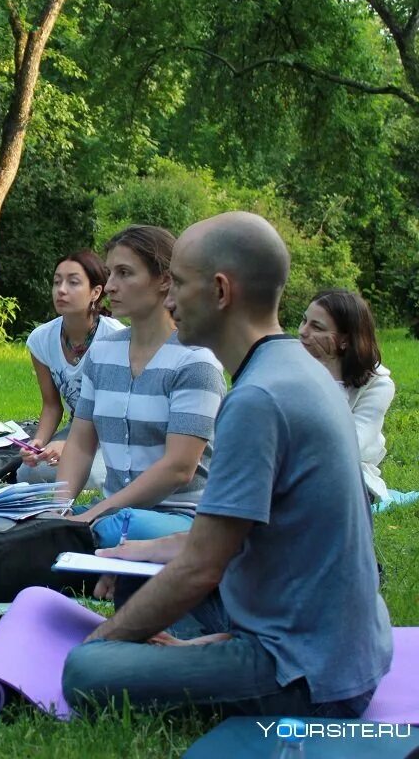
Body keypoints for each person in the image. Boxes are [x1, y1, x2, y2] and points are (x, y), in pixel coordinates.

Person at [62, 211, 392, 718]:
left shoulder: (258, 397)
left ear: (220, 291)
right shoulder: (294, 369)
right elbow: (222, 542)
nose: (170, 300)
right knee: (137, 577)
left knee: (84, 673)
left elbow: (200, 567)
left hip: (309, 671)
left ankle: (214, 654)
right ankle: (208, 643)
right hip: (336, 640)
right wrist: (140, 553)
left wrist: (100, 644)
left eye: (180, 285)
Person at [57, 226, 226, 548]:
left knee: (108, 529)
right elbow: (80, 443)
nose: (110, 286)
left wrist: (93, 515)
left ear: (164, 280)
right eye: (110, 274)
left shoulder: (196, 362)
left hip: (184, 519)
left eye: (124, 273)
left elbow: (179, 468)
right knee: (29, 521)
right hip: (113, 512)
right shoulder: (104, 354)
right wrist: (58, 508)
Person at [16, 250, 124, 486]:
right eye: (57, 282)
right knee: (27, 473)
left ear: (96, 292)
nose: (61, 290)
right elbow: (52, 406)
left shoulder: (115, 338)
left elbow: (117, 413)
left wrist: (69, 447)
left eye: (73, 282)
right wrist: (38, 443)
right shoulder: (41, 339)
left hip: (115, 432)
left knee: (95, 476)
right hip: (78, 427)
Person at [299, 289, 396, 502]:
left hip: (348, 474)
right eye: (304, 321)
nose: (303, 332)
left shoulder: (379, 385)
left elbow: (346, 447)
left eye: (316, 326)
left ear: (345, 340)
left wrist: (331, 373)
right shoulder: (293, 366)